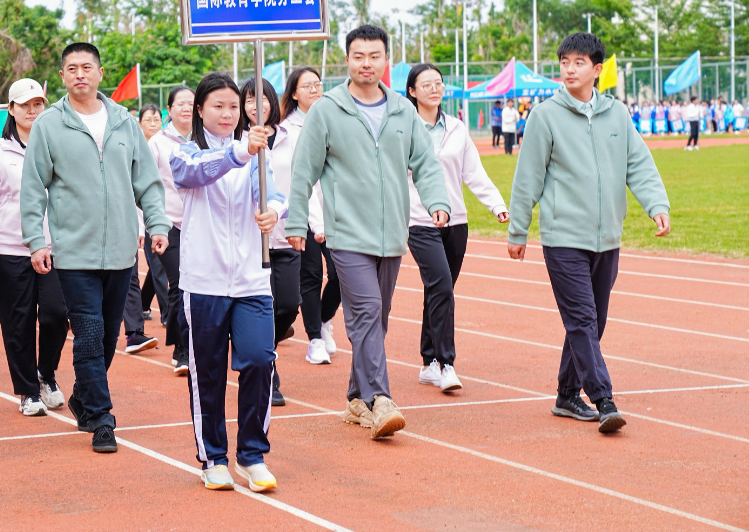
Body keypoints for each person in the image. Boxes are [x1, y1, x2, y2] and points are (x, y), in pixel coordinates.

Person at [287, 25, 450, 440]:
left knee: (377, 320)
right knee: (366, 313)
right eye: (358, 56)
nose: (366, 63)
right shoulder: (327, 110)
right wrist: (295, 222)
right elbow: (303, 172)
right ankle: (381, 400)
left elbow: (426, 163)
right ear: (348, 60)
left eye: (374, 56)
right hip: (346, 234)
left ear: (385, 61)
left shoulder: (401, 109)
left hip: (392, 233)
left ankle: (356, 398)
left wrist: (437, 201)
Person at [507, 32, 670, 434]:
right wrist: (518, 230)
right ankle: (603, 398)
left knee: (593, 322)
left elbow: (639, 164)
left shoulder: (617, 115)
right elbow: (528, 176)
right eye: (564, 62)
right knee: (581, 319)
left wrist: (657, 205)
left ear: (596, 70)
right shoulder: (545, 115)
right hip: (563, 237)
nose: (569, 69)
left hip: (607, 237)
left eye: (578, 62)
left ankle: (566, 394)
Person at [21, 42, 169, 454]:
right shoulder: (49, 125)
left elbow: (148, 183)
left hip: (122, 249)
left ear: (101, 74)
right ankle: (103, 419)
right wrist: (37, 241)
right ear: (64, 76)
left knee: (105, 339)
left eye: (87, 67)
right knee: (87, 333)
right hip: (73, 252)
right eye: (72, 68)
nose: (80, 74)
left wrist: (157, 223)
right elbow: (33, 189)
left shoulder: (124, 122)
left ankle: (83, 397)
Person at [171, 72, 283, 493]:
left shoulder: (257, 152)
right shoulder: (186, 152)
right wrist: (241, 151)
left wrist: (274, 211)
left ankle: (252, 454)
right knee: (210, 373)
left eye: (234, 106)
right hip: (205, 281)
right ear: (200, 110)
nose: (227, 113)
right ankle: (213, 456)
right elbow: (196, 173)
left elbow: (272, 192)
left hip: (253, 278)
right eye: (218, 105)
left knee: (259, 359)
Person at [405, 64, 508, 392]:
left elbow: (473, 172)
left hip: (456, 222)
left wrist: (497, 204)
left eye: (438, 83)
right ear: (412, 92)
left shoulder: (457, 128)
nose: (434, 89)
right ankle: (446, 363)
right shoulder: (403, 129)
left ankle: (427, 361)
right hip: (419, 220)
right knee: (442, 286)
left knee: (438, 290)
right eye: (426, 85)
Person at [0, 79, 68, 415]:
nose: (32, 111)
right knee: (19, 322)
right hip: (9, 249)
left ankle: (46, 374)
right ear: (11, 109)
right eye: (25, 105)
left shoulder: (54, 148)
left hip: (53, 249)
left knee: (58, 314)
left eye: (38, 104)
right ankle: (28, 391)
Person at [235, 76, 297, 406]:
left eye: (262, 100)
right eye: (248, 101)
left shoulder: (289, 136)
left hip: (285, 235)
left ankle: (259, 348)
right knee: (262, 306)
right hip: (251, 240)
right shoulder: (236, 141)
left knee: (288, 303)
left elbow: (303, 181)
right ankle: (268, 372)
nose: (256, 106)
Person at [278, 67, 340, 367]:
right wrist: (315, 222)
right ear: (294, 93)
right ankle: (315, 338)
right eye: (307, 86)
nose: (315, 90)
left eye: (318, 84)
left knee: (343, 274)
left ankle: (325, 318)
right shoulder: (286, 130)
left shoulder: (333, 119)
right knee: (312, 274)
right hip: (303, 211)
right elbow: (299, 178)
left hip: (338, 210)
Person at [148, 85, 195, 374]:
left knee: (200, 285)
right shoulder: (157, 143)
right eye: (180, 104)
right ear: (170, 110)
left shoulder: (206, 139)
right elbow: (148, 184)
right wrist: (153, 224)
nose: (186, 108)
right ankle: (181, 349)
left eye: (191, 103)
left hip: (203, 224)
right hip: (170, 225)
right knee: (179, 284)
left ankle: (199, 344)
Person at [121, 104, 165, 355]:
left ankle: (134, 332)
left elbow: (143, 192)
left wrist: (143, 226)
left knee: (132, 277)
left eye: (155, 118)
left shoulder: (138, 150)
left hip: (134, 223)